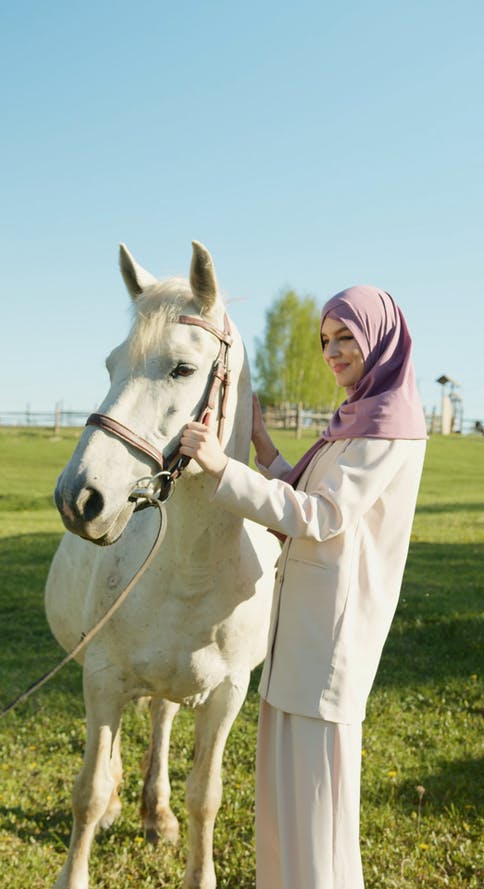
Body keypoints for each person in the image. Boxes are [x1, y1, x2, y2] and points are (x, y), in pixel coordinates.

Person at [179, 285, 427, 889]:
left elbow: (319, 516)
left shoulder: (386, 429)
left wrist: (221, 466)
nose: (332, 352)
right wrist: (260, 444)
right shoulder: (358, 419)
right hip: (303, 632)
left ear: (382, 341)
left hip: (330, 638)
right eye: (325, 340)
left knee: (317, 806)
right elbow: (307, 491)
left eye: (347, 338)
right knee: (287, 797)